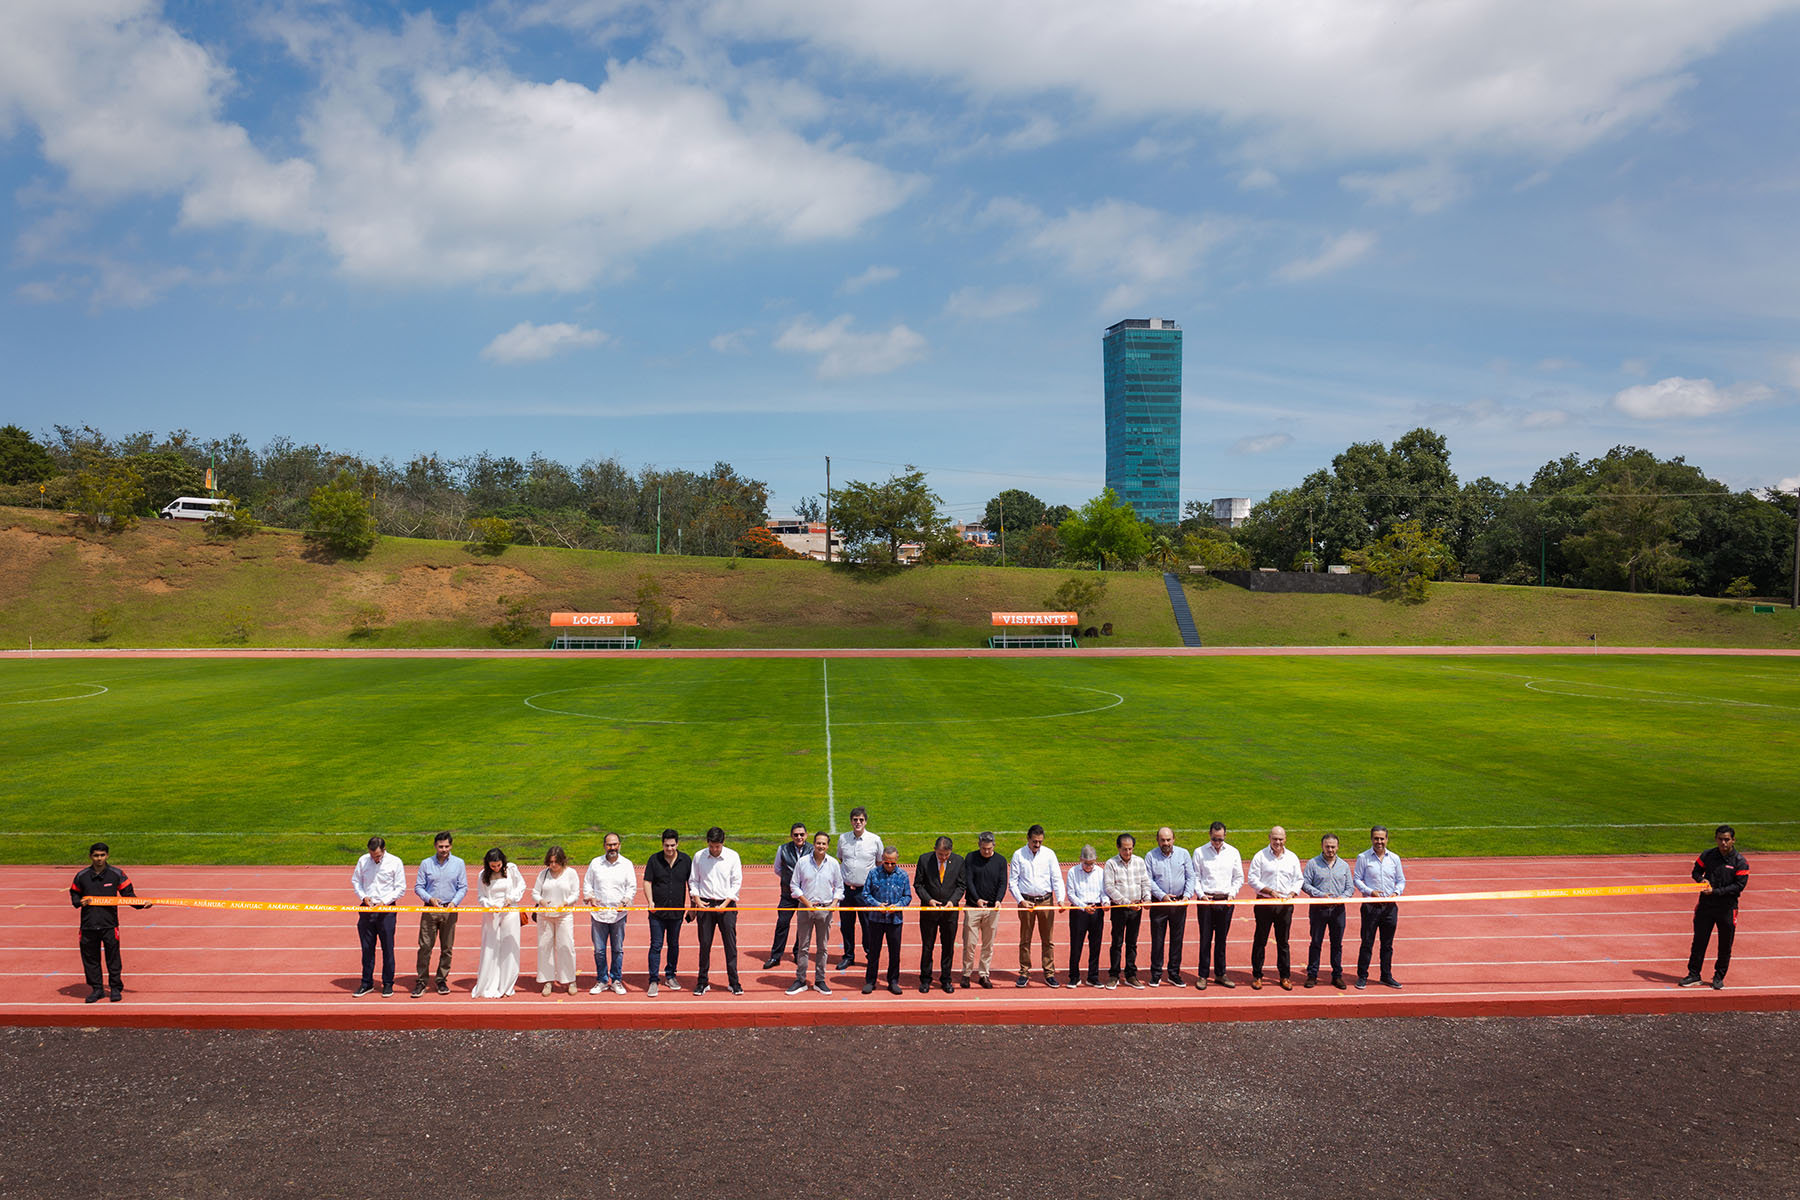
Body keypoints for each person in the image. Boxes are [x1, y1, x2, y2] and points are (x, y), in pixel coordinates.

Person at [69, 842, 150, 1004]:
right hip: (88, 925)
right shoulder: (82, 876)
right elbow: (74, 894)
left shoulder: (116, 874)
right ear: (90, 856)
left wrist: (142, 904)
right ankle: (97, 989)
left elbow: (128, 895)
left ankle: (114, 988)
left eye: (102, 855)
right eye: (96, 856)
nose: (99, 859)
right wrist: (79, 902)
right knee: (90, 958)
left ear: (107, 855)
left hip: (109, 924)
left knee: (113, 957)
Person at [1681, 824, 1749, 990]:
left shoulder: (1740, 862)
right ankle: (1694, 974)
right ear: (1716, 839)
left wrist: (1715, 891)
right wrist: (1701, 880)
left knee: (1725, 944)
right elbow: (1696, 871)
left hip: (1727, 908)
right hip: (1706, 906)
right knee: (1699, 941)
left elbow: (1738, 886)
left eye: (1727, 840)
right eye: (1720, 839)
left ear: (1733, 840)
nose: (1723, 843)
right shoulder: (1708, 855)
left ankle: (1719, 977)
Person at [1247, 826, 1303, 991]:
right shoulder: (1260, 856)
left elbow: (1298, 879)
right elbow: (1252, 879)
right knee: (1260, 941)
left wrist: (1293, 892)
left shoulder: (1292, 857)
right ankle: (1257, 976)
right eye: (1275, 839)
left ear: (1285, 839)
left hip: (1285, 906)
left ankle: (1285, 976)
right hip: (1265, 904)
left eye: (1280, 839)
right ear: (1269, 838)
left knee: (1283, 942)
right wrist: (1269, 891)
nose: (1277, 842)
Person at [788, 832, 843, 995]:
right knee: (803, 947)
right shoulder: (803, 862)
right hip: (805, 909)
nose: (820, 846)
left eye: (824, 844)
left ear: (827, 846)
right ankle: (801, 980)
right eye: (818, 843)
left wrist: (834, 904)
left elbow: (839, 887)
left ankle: (820, 980)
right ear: (813, 844)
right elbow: (794, 885)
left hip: (825, 910)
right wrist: (806, 902)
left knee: (822, 947)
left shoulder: (833, 864)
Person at [351, 835, 406, 998]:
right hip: (367, 910)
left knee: (388, 948)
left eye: (378, 856)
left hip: (386, 911)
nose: (375, 859)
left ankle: (388, 983)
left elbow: (400, 888)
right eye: (372, 856)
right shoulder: (363, 861)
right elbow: (356, 881)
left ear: (384, 850)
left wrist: (384, 901)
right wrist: (363, 897)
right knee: (367, 948)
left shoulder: (395, 862)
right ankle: (366, 983)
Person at [690, 827, 743, 996]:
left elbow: (736, 883)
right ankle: (702, 982)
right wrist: (697, 900)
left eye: (717, 846)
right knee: (705, 944)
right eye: (712, 846)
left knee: (730, 945)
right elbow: (694, 881)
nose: (714, 849)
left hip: (726, 906)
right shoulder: (699, 856)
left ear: (723, 843)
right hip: (705, 905)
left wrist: (726, 902)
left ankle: (734, 982)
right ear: (707, 843)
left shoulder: (732, 857)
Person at [1010, 824, 1064, 988]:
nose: (1037, 845)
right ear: (1028, 839)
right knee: (1025, 939)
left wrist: (1061, 899)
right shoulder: (1018, 855)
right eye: (1035, 841)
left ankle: (1049, 973)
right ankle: (1024, 972)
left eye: (1040, 841)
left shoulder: (1049, 854)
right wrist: (1021, 900)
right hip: (1026, 903)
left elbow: (1057, 878)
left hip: (1046, 901)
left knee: (1048, 939)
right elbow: (1013, 882)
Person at [412, 832, 466, 997]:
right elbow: (418, 886)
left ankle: (441, 979)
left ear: (451, 846)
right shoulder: (426, 864)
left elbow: (462, 886)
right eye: (441, 846)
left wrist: (454, 902)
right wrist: (429, 898)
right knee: (425, 947)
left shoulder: (459, 863)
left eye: (447, 846)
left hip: (449, 910)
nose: (443, 849)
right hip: (430, 909)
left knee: (447, 948)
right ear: (435, 846)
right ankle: (421, 981)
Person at [1354, 825, 1406, 990]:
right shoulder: (1363, 857)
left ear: (1387, 839)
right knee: (1367, 942)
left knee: (1387, 944)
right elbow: (1357, 879)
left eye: (1382, 838)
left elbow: (1401, 880)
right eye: (1376, 838)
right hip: (1371, 906)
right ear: (1371, 839)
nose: (1379, 842)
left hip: (1389, 907)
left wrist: (1396, 893)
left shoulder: (1394, 859)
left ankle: (1386, 975)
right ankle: (1362, 976)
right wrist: (1370, 892)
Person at [583, 833, 636, 995]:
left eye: (615, 844)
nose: (612, 848)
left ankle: (617, 980)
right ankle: (602, 980)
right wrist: (589, 897)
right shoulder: (595, 863)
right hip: (598, 914)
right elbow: (587, 884)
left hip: (618, 915)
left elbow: (632, 887)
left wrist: (625, 901)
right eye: (609, 845)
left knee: (617, 949)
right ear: (604, 846)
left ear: (619, 845)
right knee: (599, 950)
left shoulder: (626, 864)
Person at [1194, 822, 1244, 989]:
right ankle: (1202, 975)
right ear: (1209, 835)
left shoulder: (1233, 852)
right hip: (1206, 901)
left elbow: (1238, 877)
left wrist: (1232, 894)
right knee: (1205, 939)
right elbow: (1195, 877)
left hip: (1225, 901)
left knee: (1221, 940)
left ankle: (1221, 974)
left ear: (1225, 836)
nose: (1217, 842)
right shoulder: (1200, 852)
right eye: (1214, 839)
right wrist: (1201, 895)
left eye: (1220, 839)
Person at [643, 829, 692, 997]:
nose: (669, 849)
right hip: (657, 913)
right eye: (666, 845)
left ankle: (670, 975)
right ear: (662, 844)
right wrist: (650, 901)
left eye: (672, 845)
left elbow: (691, 884)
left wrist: (692, 907)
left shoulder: (685, 860)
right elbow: (647, 882)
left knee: (674, 945)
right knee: (656, 945)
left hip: (677, 913)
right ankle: (653, 980)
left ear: (677, 844)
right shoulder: (654, 860)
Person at [471, 848, 526, 999]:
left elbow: (521, 885)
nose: (496, 868)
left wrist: (512, 898)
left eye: (498, 865)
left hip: (510, 911)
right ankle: (489, 982)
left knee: (509, 946)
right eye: (492, 866)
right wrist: (489, 905)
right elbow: (481, 896)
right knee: (490, 947)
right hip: (492, 913)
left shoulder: (511, 869)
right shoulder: (482, 875)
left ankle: (507, 984)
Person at [1145, 826, 1195, 986]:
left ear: (1174, 839)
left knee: (1177, 940)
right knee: (1157, 940)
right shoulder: (1151, 856)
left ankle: (1174, 973)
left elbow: (1191, 877)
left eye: (1168, 839)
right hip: (1159, 904)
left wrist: (1186, 896)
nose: (1166, 843)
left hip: (1179, 904)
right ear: (1157, 840)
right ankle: (1156, 973)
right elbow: (1148, 880)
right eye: (1162, 840)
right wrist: (1163, 896)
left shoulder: (1184, 854)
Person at [1302, 833, 1353, 989]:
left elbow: (1350, 887)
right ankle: (1312, 975)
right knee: (1316, 942)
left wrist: (1341, 898)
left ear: (1337, 847)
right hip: (1319, 909)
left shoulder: (1344, 866)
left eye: (1333, 847)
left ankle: (1337, 976)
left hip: (1338, 910)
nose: (1330, 850)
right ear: (1322, 846)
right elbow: (1304, 884)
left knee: (1337, 944)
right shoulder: (1313, 864)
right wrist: (1320, 895)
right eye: (1327, 847)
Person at [914, 836, 964, 994]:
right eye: (940, 854)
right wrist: (929, 900)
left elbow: (961, 885)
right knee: (927, 946)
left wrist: (953, 901)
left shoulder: (958, 861)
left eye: (946, 855)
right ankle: (925, 979)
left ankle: (946, 979)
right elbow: (918, 884)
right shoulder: (924, 860)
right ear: (934, 849)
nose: (943, 857)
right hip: (929, 911)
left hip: (950, 912)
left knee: (948, 947)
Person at [861, 847, 913, 995]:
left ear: (897, 860)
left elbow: (907, 896)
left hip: (895, 920)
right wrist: (878, 905)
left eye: (892, 863)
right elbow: (866, 894)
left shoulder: (903, 875)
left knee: (894, 952)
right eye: (886, 862)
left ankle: (893, 981)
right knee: (873, 952)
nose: (889, 866)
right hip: (876, 919)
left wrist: (897, 906)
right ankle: (870, 981)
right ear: (882, 859)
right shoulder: (874, 873)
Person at [836, 807, 883, 970]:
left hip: (866, 891)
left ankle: (870, 955)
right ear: (851, 821)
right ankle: (849, 956)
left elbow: (879, 863)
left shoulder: (875, 840)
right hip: (847, 891)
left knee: (868, 925)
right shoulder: (843, 839)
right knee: (846, 925)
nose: (858, 822)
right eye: (855, 819)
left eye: (861, 820)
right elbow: (841, 858)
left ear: (866, 821)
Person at [532, 846, 581, 995]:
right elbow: (535, 892)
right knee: (544, 947)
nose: (553, 865)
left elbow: (575, 893)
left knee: (566, 946)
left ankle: (570, 980)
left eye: (556, 862)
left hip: (564, 915)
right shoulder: (543, 874)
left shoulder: (571, 873)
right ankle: (548, 981)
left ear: (562, 861)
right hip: (545, 916)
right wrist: (541, 901)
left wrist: (566, 903)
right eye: (551, 862)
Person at [1104, 833, 1150, 989]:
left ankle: (1131, 974)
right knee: (1117, 942)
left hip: (1136, 909)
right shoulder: (1111, 864)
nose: (1128, 852)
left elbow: (1145, 882)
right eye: (1125, 849)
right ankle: (1114, 975)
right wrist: (1126, 902)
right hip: (1120, 909)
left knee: (1132, 943)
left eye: (1130, 849)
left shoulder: (1139, 862)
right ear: (1118, 847)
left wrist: (1147, 898)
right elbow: (1109, 887)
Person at [961, 832, 1007, 988]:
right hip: (973, 907)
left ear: (994, 845)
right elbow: (969, 880)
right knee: (970, 943)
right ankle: (966, 973)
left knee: (988, 944)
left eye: (989, 848)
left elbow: (1002, 883)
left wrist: (999, 900)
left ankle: (984, 974)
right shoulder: (971, 858)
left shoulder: (1000, 861)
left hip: (992, 909)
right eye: (983, 848)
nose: (986, 851)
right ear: (978, 845)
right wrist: (977, 899)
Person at [1064, 845, 1109, 987]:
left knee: (1096, 945)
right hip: (1079, 911)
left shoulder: (1101, 872)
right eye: (1086, 863)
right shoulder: (1073, 872)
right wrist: (1084, 907)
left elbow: (1104, 892)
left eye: (1092, 864)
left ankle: (1093, 976)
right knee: (1076, 944)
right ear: (1080, 859)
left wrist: (1106, 902)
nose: (1089, 867)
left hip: (1096, 910)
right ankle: (1074, 976)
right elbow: (1071, 894)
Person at [765, 822, 808, 969]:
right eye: (796, 834)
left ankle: (797, 953)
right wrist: (789, 881)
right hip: (787, 895)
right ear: (791, 836)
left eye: (801, 834)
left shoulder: (812, 849)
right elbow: (778, 869)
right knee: (782, 924)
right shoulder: (782, 849)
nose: (799, 837)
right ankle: (776, 956)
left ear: (806, 835)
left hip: (805, 895)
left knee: (802, 926)